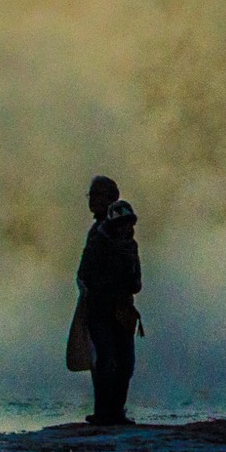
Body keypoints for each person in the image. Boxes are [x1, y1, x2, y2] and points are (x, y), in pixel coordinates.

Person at [76, 175, 143, 424]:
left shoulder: (126, 243)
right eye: (92, 196)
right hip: (102, 309)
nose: (93, 201)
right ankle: (106, 412)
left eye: (99, 195)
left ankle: (114, 411)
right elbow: (86, 273)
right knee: (106, 361)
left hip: (120, 309)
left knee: (123, 363)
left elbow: (136, 282)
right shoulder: (99, 236)